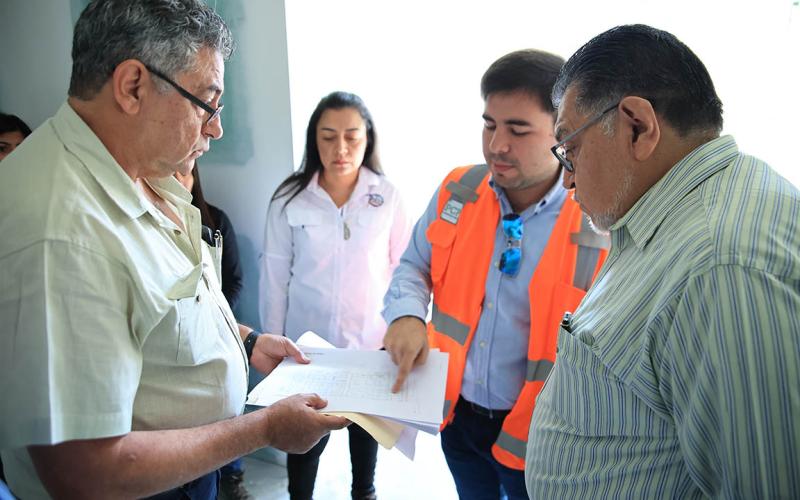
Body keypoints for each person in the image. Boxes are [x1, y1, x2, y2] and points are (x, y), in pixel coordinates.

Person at [0, 1, 348, 499]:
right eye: (206, 102)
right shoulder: (63, 232)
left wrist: (245, 341)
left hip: (187, 469)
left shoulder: (136, 170)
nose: (216, 127)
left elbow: (155, 303)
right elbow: (84, 473)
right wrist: (264, 430)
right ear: (133, 86)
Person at [526, 24, 800, 499]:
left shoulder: (720, 268)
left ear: (638, 125)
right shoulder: (664, 212)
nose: (566, 182)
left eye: (569, 150)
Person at [382, 50, 609, 499]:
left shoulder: (598, 221)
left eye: (517, 130)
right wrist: (406, 315)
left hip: (545, 437)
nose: (496, 145)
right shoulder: (459, 190)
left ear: (562, 133)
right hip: (458, 418)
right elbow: (413, 265)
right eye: (489, 124)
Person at [260, 91, 412, 500]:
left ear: (368, 139)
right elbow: (274, 274)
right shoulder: (290, 197)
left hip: (369, 344)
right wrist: (273, 345)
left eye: (351, 136)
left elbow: (405, 269)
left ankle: (365, 493)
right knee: (304, 438)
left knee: (365, 434)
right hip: (307, 350)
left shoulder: (387, 196)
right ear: (314, 140)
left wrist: (403, 330)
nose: (340, 148)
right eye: (328, 136)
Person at [175, 164, 249, 499]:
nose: (179, 181)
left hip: (221, 330)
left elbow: (233, 281)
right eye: (172, 173)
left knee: (226, 413)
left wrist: (215, 317)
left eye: (186, 173)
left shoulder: (214, 222)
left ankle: (232, 477)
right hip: (182, 348)